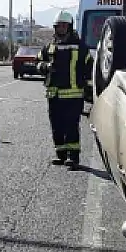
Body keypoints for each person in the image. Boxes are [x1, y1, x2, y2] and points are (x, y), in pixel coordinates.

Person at [39, 10, 92, 169]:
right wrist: (45, 66)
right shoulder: (49, 47)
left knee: (71, 125)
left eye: (64, 26)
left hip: (74, 95)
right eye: (58, 26)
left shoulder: (80, 47)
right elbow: (37, 63)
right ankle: (60, 154)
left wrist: (88, 88)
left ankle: (73, 157)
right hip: (53, 95)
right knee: (56, 126)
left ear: (69, 27)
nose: (61, 29)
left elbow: (89, 66)